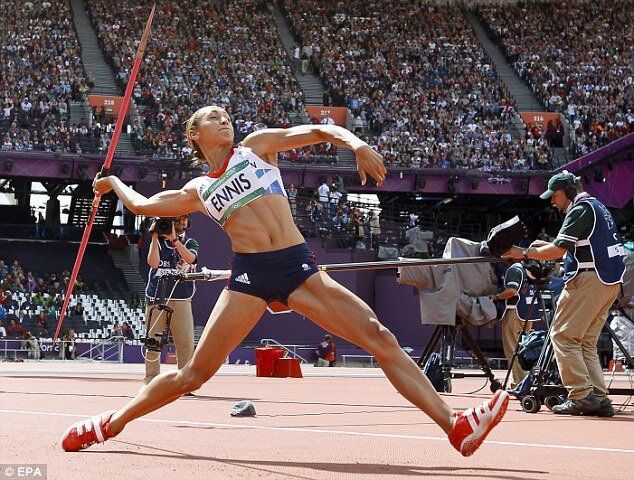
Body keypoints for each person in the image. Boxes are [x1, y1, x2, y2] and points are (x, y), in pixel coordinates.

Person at [62, 105, 508, 456]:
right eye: (214, 117)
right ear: (195, 135)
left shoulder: (256, 147)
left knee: (378, 335)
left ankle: (456, 427)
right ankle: (108, 424)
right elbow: (142, 206)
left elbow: (319, 132)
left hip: (296, 268)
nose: (226, 120)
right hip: (251, 277)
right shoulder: (197, 189)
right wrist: (115, 183)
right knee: (193, 373)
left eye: (226, 114)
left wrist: (356, 145)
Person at [503, 171, 625, 416]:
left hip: (589, 280)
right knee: (586, 342)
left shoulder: (579, 210)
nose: (552, 201)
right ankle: (599, 398)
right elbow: (582, 248)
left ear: (568, 191)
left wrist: (522, 253)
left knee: (563, 337)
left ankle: (581, 396)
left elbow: (557, 251)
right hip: (610, 281)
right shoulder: (597, 206)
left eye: (555, 195)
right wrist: (539, 248)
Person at [144, 214, 198, 386]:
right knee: (153, 341)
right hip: (156, 297)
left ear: (189, 223)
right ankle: (151, 379)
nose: (181, 222)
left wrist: (175, 241)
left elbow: (191, 258)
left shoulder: (190, 242)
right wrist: (154, 237)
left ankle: (185, 381)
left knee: (185, 342)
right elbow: (153, 263)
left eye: (184, 219)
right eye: (177, 219)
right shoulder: (158, 242)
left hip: (181, 298)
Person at [491, 261, 541, 388]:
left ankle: (520, 382)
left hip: (515, 312)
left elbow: (512, 291)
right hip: (529, 312)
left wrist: (496, 297)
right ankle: (519, 380)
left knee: (513, 350)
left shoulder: (514, 269)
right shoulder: (531, 268)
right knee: (524, 348)